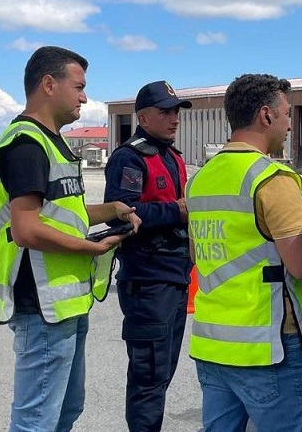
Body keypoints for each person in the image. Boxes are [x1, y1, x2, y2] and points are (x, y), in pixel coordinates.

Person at [0, 46, 141, 432]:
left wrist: (111, 210)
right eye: (79, 87)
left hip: (66, 303)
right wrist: (94, 247)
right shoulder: (26, 144)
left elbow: (62, 214)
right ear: (48, 84)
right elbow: (26, 229)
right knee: (37, 420)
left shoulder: (52, 141)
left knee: (66, 410)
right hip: (42, 304)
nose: (85, 98)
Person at [185, 73, 302, 431]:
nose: (290, 125)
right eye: (287, 114)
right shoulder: (272, 178)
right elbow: (301, 263)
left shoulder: (199, 180)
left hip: (212, 347)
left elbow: (200, 256)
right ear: (266, 115)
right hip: (267, 350)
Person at [103, 80, 194, 432]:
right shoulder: (129, 158)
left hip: (174, 279)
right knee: (149, 377)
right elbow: (119, 215)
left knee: (163, 372)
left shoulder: (172, 157)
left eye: (176, 112)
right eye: (165, 112)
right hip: (148, 282)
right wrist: (176, 211)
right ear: (142, 117)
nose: (174, 119)